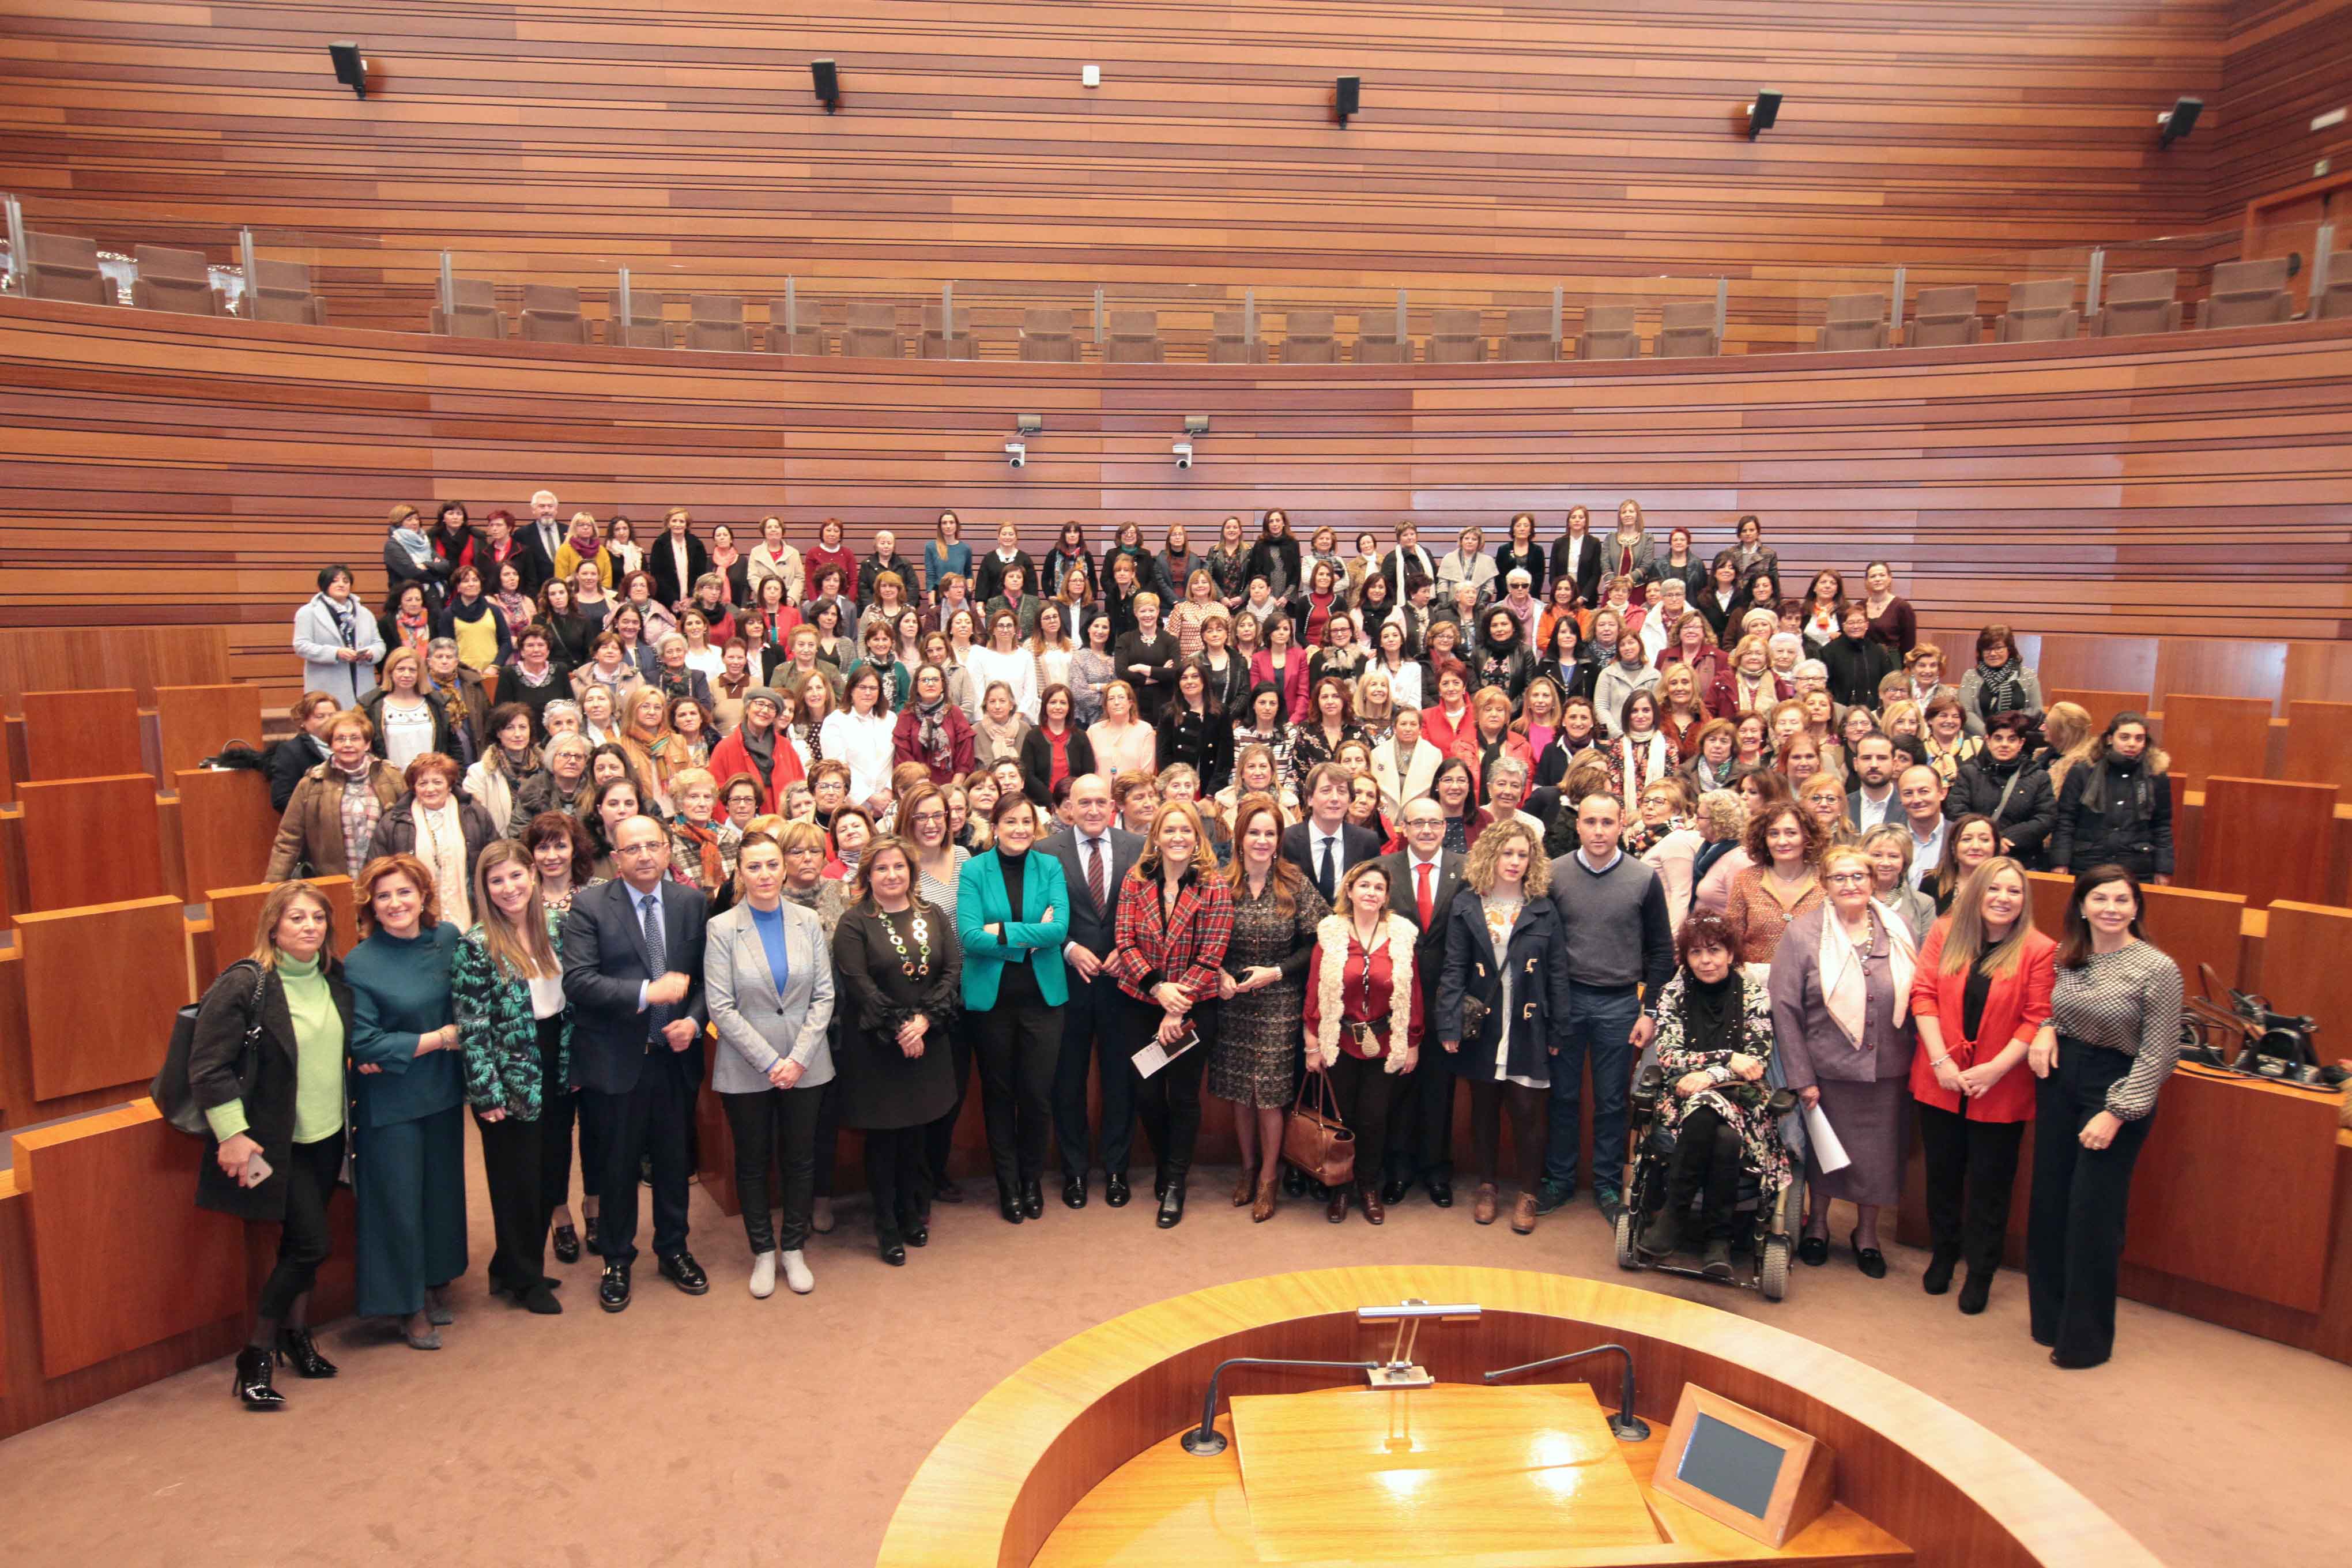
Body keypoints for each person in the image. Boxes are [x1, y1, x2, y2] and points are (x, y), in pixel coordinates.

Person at [190, 881, 355, 1409]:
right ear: (273, 926)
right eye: (297, 919)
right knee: (311, 1245)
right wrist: (233, 1135)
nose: (309, 927)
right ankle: (257, 1353)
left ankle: (298, 1335)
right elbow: (207, 1067)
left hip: (329, 1135)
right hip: (273, 1144)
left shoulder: (335, 978)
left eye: (318, 919)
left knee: (298, 1246)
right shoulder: (247, 983)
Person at [2027, 865, 2183, 1368]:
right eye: (2101, 899)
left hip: (2115, 1088)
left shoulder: (2157, 968)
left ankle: (2085, 1341)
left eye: (2122, 900)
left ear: (2137, 907)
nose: (2111, 909)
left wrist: (2116, 1113)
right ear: (2082, 905)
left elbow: (2159, 1055)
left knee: (2091, 1217)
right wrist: (2048, 1028)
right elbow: (2058, 1009)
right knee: (2049, 1205)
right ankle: (2049, 1320)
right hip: (2059, 1081)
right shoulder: (2069, 954)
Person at [561, 814, 711, 1311]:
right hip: (617, 1060)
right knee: (618, 1165)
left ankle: (674, 1250)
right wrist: (648, 992)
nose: (645, 855)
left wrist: (692, 1020)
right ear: (616, 858)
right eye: (633, 849)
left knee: (673, 1163)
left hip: (676, 1057)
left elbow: (707, 980)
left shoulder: (692, 903)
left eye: (653, 845)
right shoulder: (589, 907)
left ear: (668, 851)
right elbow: (579, 982)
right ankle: (618, 1259)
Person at [1910, 857, 2055, 1315]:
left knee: (1991, 1185)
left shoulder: (2039, 949)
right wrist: (1940, 1060)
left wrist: (1994, 1070)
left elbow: (2038, 1018)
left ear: (2024, 900)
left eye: (2014, 891)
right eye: (1994, 889)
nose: (2003, 899)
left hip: (2001, 1086)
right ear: (1977, 893)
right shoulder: (1945, 932)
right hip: (1940, 1078)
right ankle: (1944, 1254)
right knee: (1943, 1177)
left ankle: (1981, 1271)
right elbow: (1923, 995)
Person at [1770, 844, 1920, 1278]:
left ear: (1874, 881)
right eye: (1840, 878)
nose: (1851, 885)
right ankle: (1817, 1226)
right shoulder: (1802, 933)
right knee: (1825, 1157)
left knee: (1876, 1158)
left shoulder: (1900, 928)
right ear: (1825, 886)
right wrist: (1801, 1077)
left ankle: (1867, 1235)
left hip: (1888, 1068)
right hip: (1826, 1069)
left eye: (1859, 876)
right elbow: (1785, 1009)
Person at [344, 854, 469, 1349]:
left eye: (404, 893)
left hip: (441, 1091)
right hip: (390, 1102)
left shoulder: (448, 940)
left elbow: (473, 1001)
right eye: (384, 896)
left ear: (423, 896)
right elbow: (366, 1045)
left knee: (440, 1192)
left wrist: (411, 1045)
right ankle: (406, 1305)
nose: (396, 903)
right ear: (371, 906)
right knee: (395, 1202)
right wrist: (438, 1038)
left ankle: (437, 1282)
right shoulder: (360, 963)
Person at [704, 831, 835, 1299]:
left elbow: (824, 994)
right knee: (753, 1161)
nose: (764, 875)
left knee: (801, 1159)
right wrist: (770, 1061)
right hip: (746, 1066)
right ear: (740, 873)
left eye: (772, 865)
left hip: (807, 1064)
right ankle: (763, 1250)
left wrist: (797, 1059)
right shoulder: (722, 928)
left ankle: (793, 1248)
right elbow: (721, 1006)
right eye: (754, 867)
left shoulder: (807, 920)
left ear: (785, 869)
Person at [1541, 791, 1674, 1223]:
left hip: (1620, 1004)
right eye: (1591, 822)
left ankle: (1606, 1185)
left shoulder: (1642, 878)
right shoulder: (1554, 874)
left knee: (1613, 1102)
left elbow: (1661, 952)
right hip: (1565, 1001)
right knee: (1562, 1097)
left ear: (1622, 826)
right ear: (1577, 825)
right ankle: (1559, 1180)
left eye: (1608, 822)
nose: (1599, 831)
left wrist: (1650, 1010)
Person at [449, 840, 568, 1317]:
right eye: (496, 881)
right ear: (485, 888)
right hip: (507, 1071)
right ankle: (525, 1278)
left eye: (516, 876)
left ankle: (511, 1264)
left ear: (534, 876)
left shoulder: (556, 928)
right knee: (515, 1180)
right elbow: (471, 1025)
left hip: (555, 1059)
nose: (509, 888)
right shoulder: (475, 945)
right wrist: (485, 1092)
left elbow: (568, 1002)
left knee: (549, 1173)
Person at [1103, 800, 1233, 1228]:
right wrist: (1160, 990)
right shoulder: (1136, 880)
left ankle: (1175, 1183)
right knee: (1144, 1093)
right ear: (1155, 837)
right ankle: (1164, 1161)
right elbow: (1125, 940)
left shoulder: (1214, 886)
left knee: (1182, 1096)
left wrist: (1179, 1006)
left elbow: (1212, 952)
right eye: (1170, 830)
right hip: (1141, 1002)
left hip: (1196, 1008)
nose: (1178, 838)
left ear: (1198, 838)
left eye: (1187, 831)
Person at [832, 836, 962, 1265]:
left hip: (929, 1041)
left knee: (918, 1134)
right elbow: (860, 987)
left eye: (899, 867)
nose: (892, 875)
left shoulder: (934, 913)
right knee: (885, 1140)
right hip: (877, 1048)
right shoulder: (854, 923)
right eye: (882, 868)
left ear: (912, 871)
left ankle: (913, 1213)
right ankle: (886, 1225)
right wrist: (902, 1027)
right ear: (868, 875)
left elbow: (951, 970)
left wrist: (924, 1021)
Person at [1636, 910, 1786, 1277]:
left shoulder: (1755, 996)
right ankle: (1717, 1239)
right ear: (1685, 958)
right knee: (1719, 1131)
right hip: (1681, 1105)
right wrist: (1728, 1060)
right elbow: (1669, 1057)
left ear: (1731, 954)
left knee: (1709, 1110)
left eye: (1715, 951)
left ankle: (1675, 1215)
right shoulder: (1673, 993)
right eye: (1696, 953)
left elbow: (1756, 1061)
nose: (1706, 961)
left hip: (1744, 1103)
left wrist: (1707, 1075)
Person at [1211, 794, 1328, 1222]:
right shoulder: (1220, 883)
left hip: (1280, 1001)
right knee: (1241, 1093)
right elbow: (1205, 942)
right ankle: (1246, 1169)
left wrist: (1277, 972)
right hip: (1234, 1003)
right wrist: (1219, 973)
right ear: (1239, 838)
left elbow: (1320, 939)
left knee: (1269, 1097)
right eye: (1254, 833)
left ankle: (1268, 1179)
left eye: (1270, 833)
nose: (1261, 840)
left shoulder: (1294, 882)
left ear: (1279, 840)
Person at [957, 792, 1071, 1224]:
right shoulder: (973, 869)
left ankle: (1031, 1182)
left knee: (1037, 1096)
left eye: (1026, 821)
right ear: (996, 825)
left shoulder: (1051, 866)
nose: (1020, 829)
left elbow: (1058, 930)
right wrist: (1027, 936)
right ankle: (1008, 1186)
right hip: (992, 1005)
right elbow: (969, 937)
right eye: (1011, 822)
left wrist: (1001, 932)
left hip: (1044, 1003)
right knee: (999, 1097)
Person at [1038, 775, 1146, 1209]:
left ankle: (1118, 1170)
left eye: (1102, 801)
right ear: (1069, 808)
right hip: (1070, 984)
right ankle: (1075, 1173)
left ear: (1113, 805)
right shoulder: (1047, 852)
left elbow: (1150, 908)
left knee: (1122, 1082)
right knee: (1069, 1084)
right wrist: (1067, 949)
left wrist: (1129, 947)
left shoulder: (1138, 848)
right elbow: (1036, 915)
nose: (1094, 810)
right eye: (1085, 803)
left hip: (1125, 984)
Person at [1301, 861, 1426, 1225]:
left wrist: (1413, 1042)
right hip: (1339, 1039)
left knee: (1374, 1118)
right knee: (1343, 1119)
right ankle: (1341, 1188)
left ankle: (1368, 1186)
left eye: (1378, 888)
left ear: (1386, 896)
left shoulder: (1402, 936)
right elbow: (1315, 992)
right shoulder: (1332, 933)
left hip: (1385, 1041)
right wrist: (1313, 1042)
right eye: (1364, 886)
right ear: (1350, 891)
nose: (1371, 893)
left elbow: (1412, 993)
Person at [267, 708, 404, 880]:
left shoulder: (392, 777)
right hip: (333, 882)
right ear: (331, 744)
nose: (348, 744)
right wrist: (272, 884)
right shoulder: (312, 783)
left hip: (385, 879)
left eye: (355, 738)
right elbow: (288, 839)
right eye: (340, 739)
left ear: (367, 744)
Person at [372, 753, 496, 930]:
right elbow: (376, 870)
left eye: (437, 782)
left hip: (472, 913)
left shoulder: (475, 814)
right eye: (423, 783)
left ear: (450, 784)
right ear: (414, 787)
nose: (430, 789)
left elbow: (493, 860)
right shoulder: (393, 822)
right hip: (413, 921)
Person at [2047, 711, 2173, 883]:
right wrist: (2060, 862)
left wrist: (2163, 869)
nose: (2132, 744)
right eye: (2125, 737)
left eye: (2139, 739)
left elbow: (2162, 826)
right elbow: (2066, 820)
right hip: (2087, 862)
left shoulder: (2156, 776)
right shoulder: (2083, 772)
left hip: (2136, 866)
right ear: (2110, 739)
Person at [1721, 800, 1826, 971]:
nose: (1782, 841)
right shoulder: (1746, 879)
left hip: (1815, 978)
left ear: (1807, 837)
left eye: (1791, 833)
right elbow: (1732, 939)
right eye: (1774, 834)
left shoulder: (1825, 880)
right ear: (1764, 839)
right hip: (1758, 982)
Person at [1947, 711, 2057, 868]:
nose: (2004, 744)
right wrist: (1991, 839)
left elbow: (2045, 818)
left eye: (2012, 739)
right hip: (1975, 858)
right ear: (1988, 741)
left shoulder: (2038, 777)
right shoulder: (1969, 774)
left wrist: (2005, 839)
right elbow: (1956, 810)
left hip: (2020, 860)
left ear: (2021, 743)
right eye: (1998, 738)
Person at [1282, 762, 1384, 905]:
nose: (1335, 798)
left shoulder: (1367, 841)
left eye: (1342, 791)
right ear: (1310, 798)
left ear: (1350, 800)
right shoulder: (1286, 840)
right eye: (1326, 791)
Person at [294, 564, 384, 708]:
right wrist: (336, 653)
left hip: (362, 686)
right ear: (324, 584)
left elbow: (379, 643)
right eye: (335, 581)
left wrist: (371, 653)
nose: (341, 584)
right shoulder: (308, 612)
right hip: (326, 687)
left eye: (346, 581)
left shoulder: (365, 613)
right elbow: (301, 646)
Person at [1860, 823, 1936, 944]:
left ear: (1905, 861)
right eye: (1877, 855)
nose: (1885, 863)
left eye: (1893, 856)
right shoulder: (1850, 898)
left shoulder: (1924, 904)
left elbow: (1928, 954)